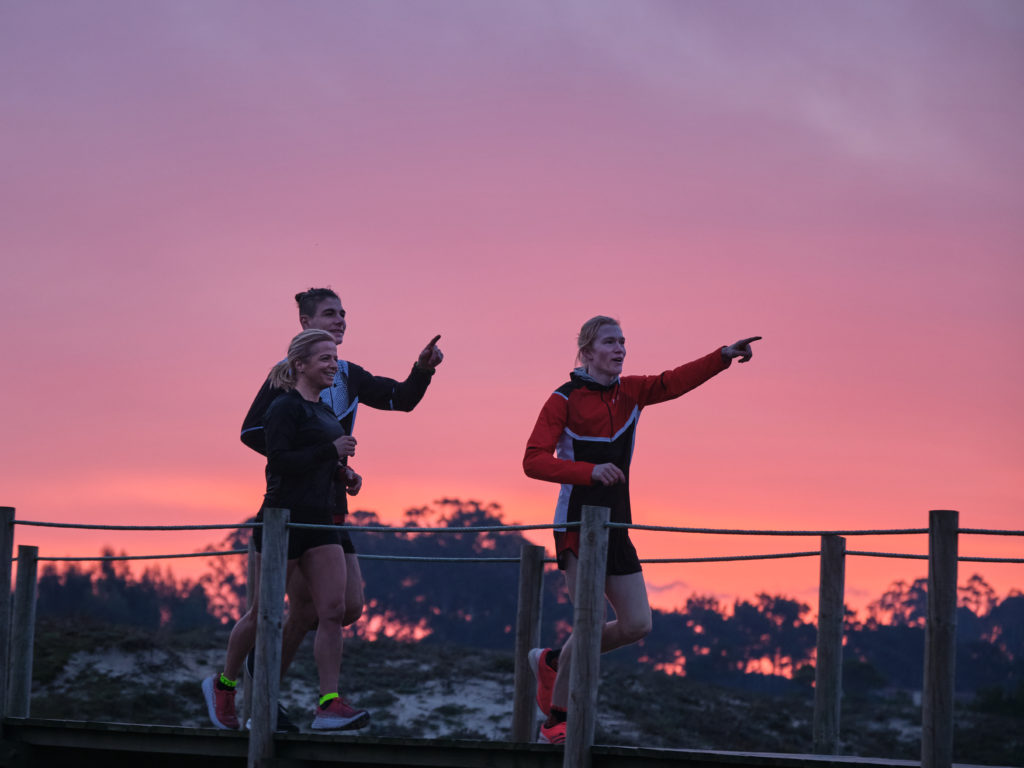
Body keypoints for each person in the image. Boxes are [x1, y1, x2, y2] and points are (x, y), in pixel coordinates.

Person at [203, 288, 443, 732]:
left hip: (330, 506)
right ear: (305, 323)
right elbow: (256, 435)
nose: (341, 320)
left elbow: (402, 398)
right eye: (330, 314)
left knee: (342, 608)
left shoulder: (347, 376)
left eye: (344, 314)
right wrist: (316, 455)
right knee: (277, 610)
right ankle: (243, 689)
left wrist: (422, 370)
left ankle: (294, 695)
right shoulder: (283, 385)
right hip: (287, 508)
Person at [522, 315, 759, 744]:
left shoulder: (631, 391)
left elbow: (673, 381)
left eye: (623, 342)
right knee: (589, 620)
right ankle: (556, 719)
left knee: (636, 625)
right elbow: (533, 461)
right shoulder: (564, 398)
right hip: (577, 522)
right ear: (587, 350)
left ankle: (554, 660)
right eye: (610, 342)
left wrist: (723, 356)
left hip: (617, 523)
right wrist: (590, 472)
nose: (620, 349)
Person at [204, 328, 365, 730]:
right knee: (264, 613)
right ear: (301, 364)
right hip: (281, 521)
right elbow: (279, 463)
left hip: (321, 520)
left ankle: (328, 703)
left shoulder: (327, 413)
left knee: (332, 610)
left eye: (334, 357)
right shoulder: (283, 408)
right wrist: (330, 451)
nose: (334, 365)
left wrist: (344, 474)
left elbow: (317, 463)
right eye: (325, 359)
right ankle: (225, 685)